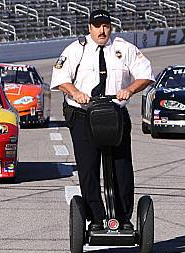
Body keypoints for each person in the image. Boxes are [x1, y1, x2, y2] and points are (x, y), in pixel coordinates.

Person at [50, 9, 154, 231]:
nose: (102, 30)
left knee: (122, 167)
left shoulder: (123, 48)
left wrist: (130, 89)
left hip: (114, 115)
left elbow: (145, 75)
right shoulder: (76, 50)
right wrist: (75, 92)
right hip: (83, 114)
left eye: (106, 26)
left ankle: (123, 218)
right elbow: (60, 79)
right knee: (88, 167)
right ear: (89, 28)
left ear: (111, 27)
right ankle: (95, 217)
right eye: (97, 26)